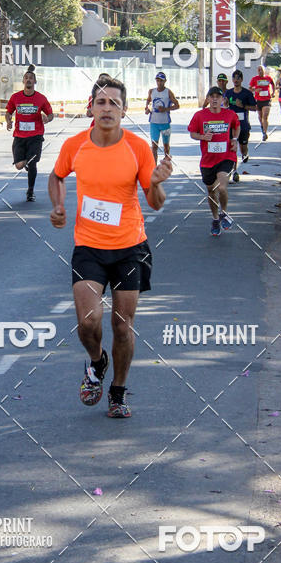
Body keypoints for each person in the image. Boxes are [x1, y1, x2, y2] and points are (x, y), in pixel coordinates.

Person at [49, 76, 172, 419]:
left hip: (130, 248)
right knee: (88, 323)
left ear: (124, 110)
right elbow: (57, 176)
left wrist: (157, 184)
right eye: (101, 102)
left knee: (122, 325)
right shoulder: (75, 145)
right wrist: (58, 207)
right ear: (91, 107)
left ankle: (117, 392)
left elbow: (156, 202)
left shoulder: (136, 147)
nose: (107, 108)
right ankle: (96, 360)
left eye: (114, 103)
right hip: (88, 246)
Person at [188, 86, 240, 236]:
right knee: (211, 191)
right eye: (212, 96)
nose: (215, 99)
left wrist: (235, 139)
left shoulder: (230, 114)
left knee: (222, 187)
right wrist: (203, 137)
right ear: (208, 99)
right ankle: (215, 219)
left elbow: (237, 127)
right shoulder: (200, 115)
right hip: (207, 160)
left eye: (218, 96)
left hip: (226, 157)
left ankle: (223, 213)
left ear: (223, 99)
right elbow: (192, 133)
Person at [5, 65, 53, 201]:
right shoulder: (15, 97)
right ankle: (27, 161)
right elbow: (8, 112)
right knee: (19, 165)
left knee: (32, 163)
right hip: (19, 136)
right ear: (23, 81)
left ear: (35, 82)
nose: (28, 80)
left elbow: (51, 114)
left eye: (31, 78)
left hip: (35, 137)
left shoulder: (41, 98)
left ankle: (30, 191)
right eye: (26, 78)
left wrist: (46, 119)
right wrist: (8, 121)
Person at [225, 70, 257, 182]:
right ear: (232, 80)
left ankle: (245, 153)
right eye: (234, 78)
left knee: (242, 148)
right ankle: (234, 172)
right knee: (232, 148)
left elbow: (255, 108)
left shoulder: (247, 93)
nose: (236, 80)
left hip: (243, 125)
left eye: (238, 78)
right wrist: (225, 106)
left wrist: (243, 106)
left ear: (241, 80)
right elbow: (224, 106)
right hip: (231, 126)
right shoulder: (228, 93)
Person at [145, 71, 180, 162]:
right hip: (154, 123)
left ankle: (166, 165)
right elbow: (148, 101)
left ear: (165, 81)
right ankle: (154, 167)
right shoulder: (152, 91)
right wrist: (147, 109)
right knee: (154, 146)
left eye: (161, 81)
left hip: (165, 123)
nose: (159, 82)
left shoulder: (168, 92)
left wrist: (165, 109)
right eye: (157, 80)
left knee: (166, 147)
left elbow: (177, 105)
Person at [249, 65, 275, 140]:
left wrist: (273, 92)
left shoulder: (268, 78)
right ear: (257, 71)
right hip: (258, 100)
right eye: (259, 70)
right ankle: (262, 128)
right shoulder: (254, 79)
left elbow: (273, 84)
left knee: (265, 116)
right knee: (260, 117)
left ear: (264, 71)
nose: (260, 71)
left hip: (267, 100)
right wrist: (255, 90)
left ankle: (265, 133)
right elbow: (250, 88)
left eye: (261, 69)